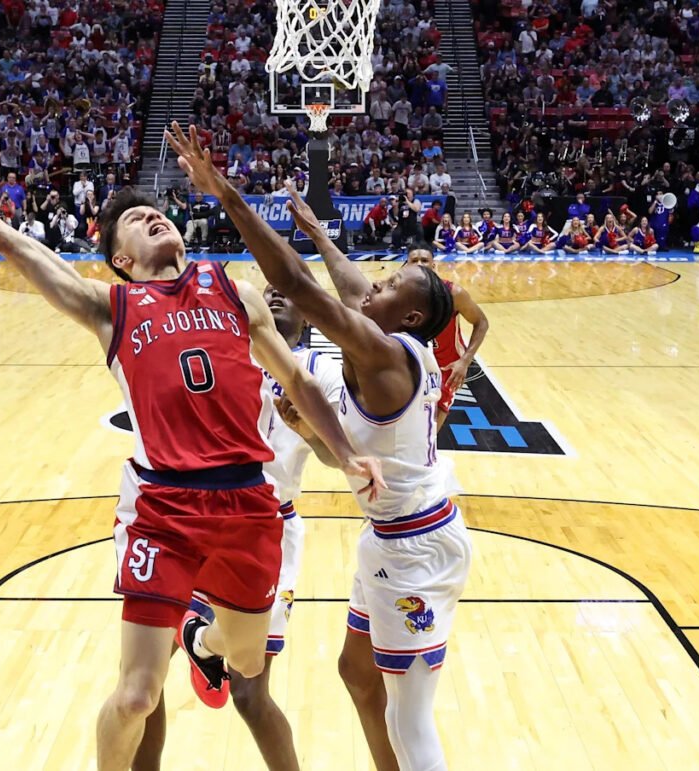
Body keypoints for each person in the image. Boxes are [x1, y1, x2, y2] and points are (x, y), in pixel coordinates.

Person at [0, 133, 382, 771]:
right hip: (165, 509)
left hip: (248, 505)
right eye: (135, 220)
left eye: (156, 212)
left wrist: (346, 452)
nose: (153, 216)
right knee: (136, 696)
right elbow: (9, 242)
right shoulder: (111, 307)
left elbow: (297, 380)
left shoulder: (234, 292)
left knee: (244, 660)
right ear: (121, 260)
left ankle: (202, 640)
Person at [167, 121, 471, 771]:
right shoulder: (395, 340)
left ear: (409, 317)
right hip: (392, 537)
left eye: (388, 287)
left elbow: (301, 287)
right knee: (357, 674)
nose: (372, 287)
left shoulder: (383, 356)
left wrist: (227, 196)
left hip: (416, 547)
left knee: (411, 717)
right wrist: (319, 232)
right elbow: (347, 284)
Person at [135, 285, 345, 771]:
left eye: (287, 293)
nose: (275, 295)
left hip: (268, 530)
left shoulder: (319, 371)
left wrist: (309, 430)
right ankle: (200, 645)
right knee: (145, 681)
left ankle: (205, 644)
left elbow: (337, 458)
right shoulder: (221, 350)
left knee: (249, 695)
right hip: (195, 515)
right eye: (268, 290)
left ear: (308, 317)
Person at [406, 248, 490, 429]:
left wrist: (464, 361)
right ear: (406, 266)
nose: (420, 264)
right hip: (411, 361)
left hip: (446, 367)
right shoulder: (399, 294)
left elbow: (481, 322)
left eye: (424, 260)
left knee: (430, 432)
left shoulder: (453, 293)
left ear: (433, 265)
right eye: (414, 260)